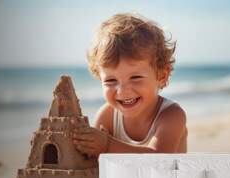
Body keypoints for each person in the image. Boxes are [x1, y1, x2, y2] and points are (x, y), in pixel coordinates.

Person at [73, 13, 187, 157]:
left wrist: (106, 145)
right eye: (110, 81)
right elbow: (92, 162)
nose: (123, 91)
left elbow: (158, 159)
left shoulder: (172, 115)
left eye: (135, 77)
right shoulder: (107, 116)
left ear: (161, 76)